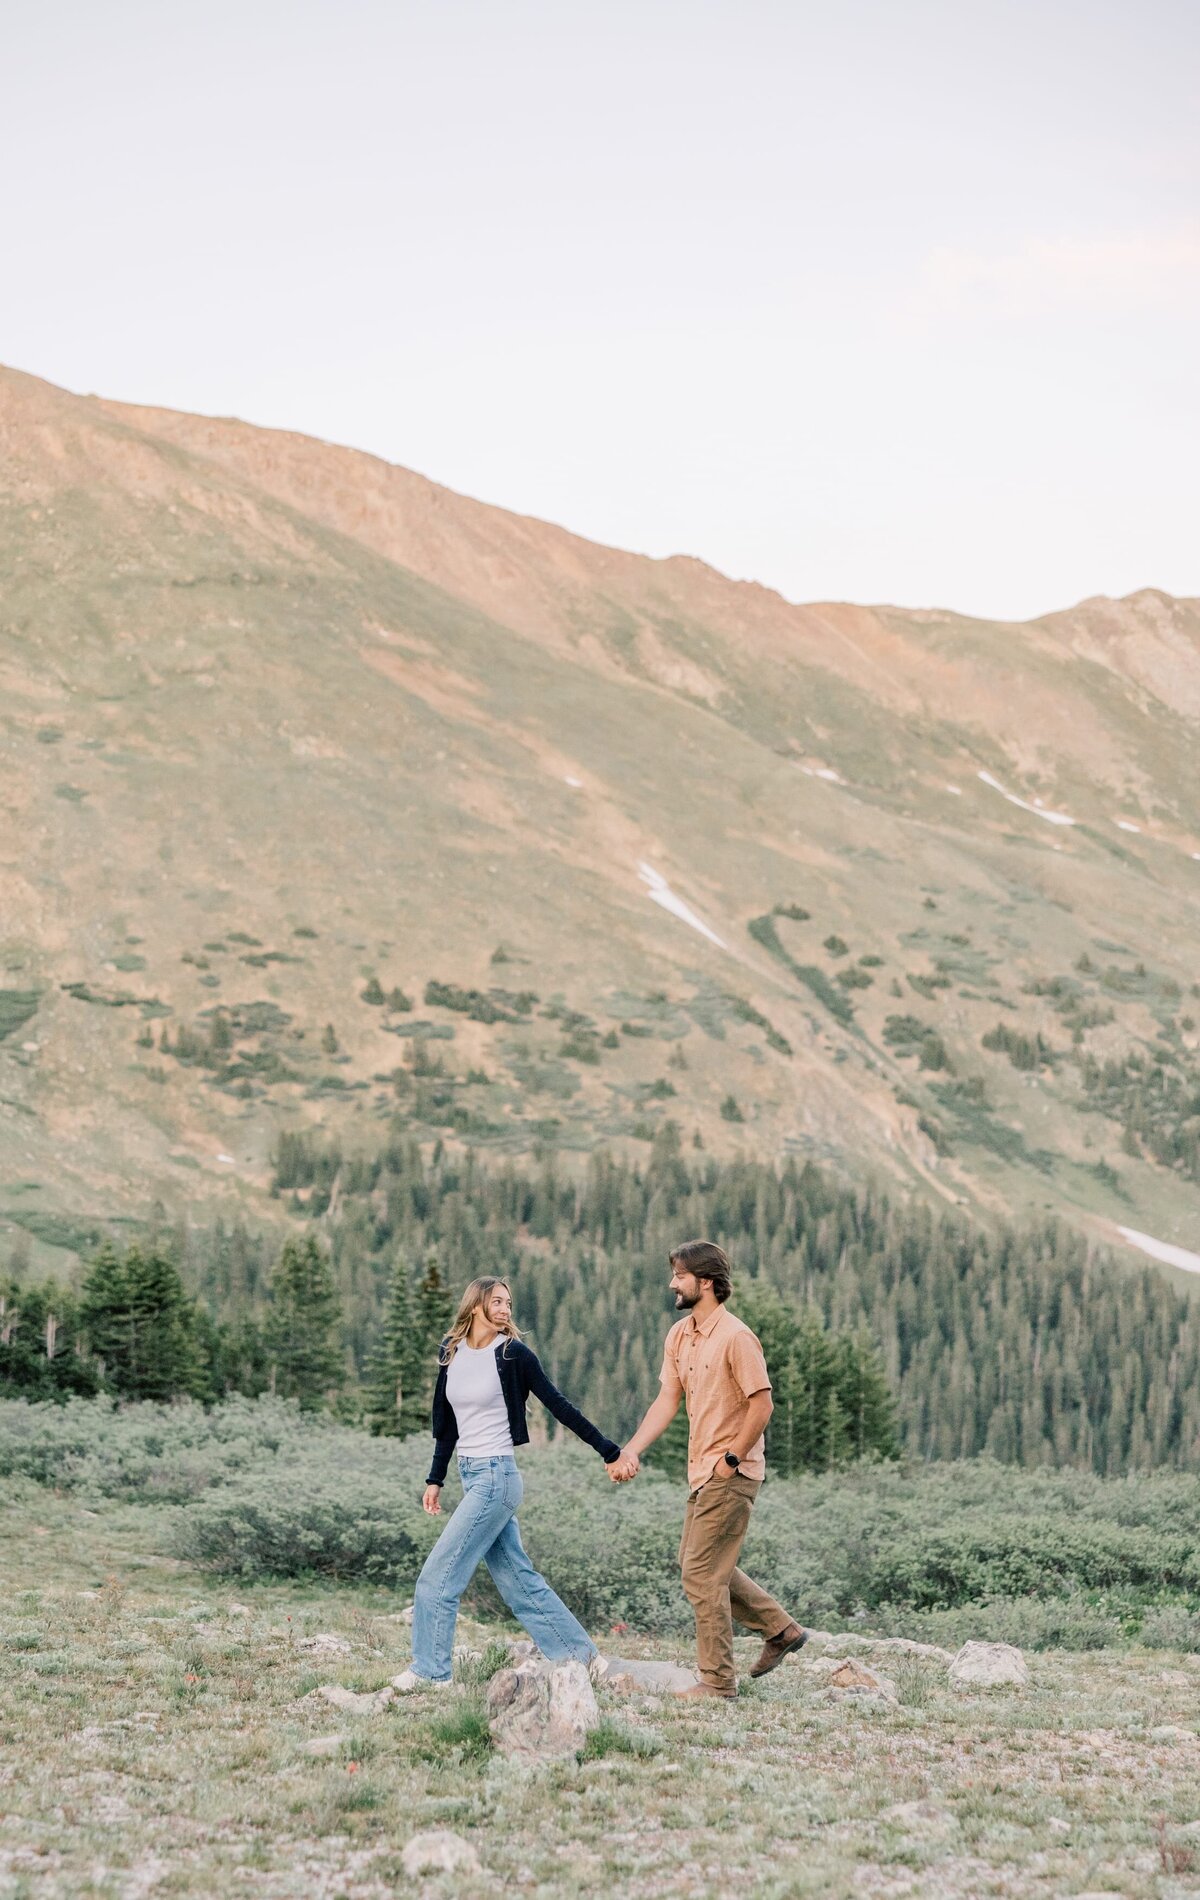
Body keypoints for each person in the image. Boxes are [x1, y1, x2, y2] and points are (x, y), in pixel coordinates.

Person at [393, 1275, 623, 1690]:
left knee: (438, 1576)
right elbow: (445, 1425)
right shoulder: (451, 1353)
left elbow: (559, 1405)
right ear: (476, 1304)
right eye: (497, 1301)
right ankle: (583, 1659)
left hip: (497, 1477)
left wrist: (608, 1450)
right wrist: (436, 1478)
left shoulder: (513, 1354)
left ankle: (431, 1673)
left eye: (509, 1303)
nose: (505, 1309)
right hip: (471, 1474)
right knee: (518, 1580)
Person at [609, 1240, 806, 1700]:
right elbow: (667, 1400)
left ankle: (717, 1682)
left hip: (732, 1472)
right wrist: (630, 1451)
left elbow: (763, 1404)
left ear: (707, 1283)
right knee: (699, 1565)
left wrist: (732, 1457)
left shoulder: (737, 1337)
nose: (671, 1284)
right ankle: (779, 1629)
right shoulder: (679, 1335)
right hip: (702, 1471)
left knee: (701, 1573)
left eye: (679, 1276)